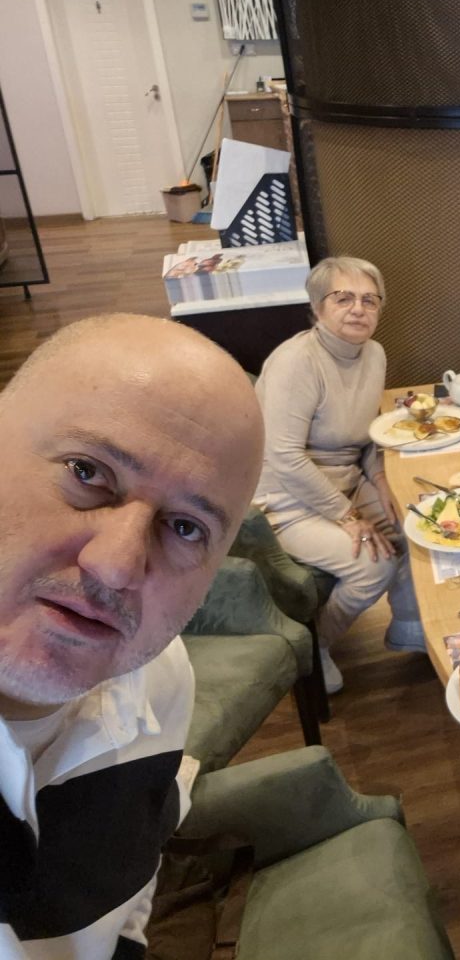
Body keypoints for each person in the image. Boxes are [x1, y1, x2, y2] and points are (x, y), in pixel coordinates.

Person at [0, 315, 265, 957]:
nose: (116, 565)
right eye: (86, 472)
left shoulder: (157, 682)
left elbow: (126, 896)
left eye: (186, 527)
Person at [252, 256, 423, 694]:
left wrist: (382, 482)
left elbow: (366, 437)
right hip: (284, 498)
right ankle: (316, 647)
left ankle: (409, 626)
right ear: (317, 307)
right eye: (343, 298)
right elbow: (283, 456)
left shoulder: (374, 354)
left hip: (345, 482)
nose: (358, 309)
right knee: (373, 566)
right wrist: (348, 516)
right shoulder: (296, 361)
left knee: (418, 526)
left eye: (369, 300)